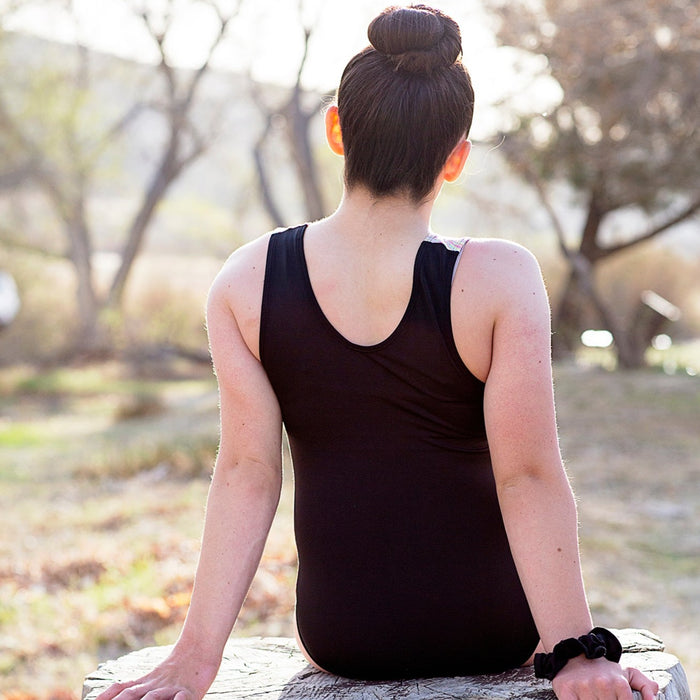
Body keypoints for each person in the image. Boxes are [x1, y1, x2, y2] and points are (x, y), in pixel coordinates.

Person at [97, 5, 659, 700]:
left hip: (344, 639)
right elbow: (529, 477)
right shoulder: (499, 279)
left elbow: (246, 474)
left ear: (337, 130)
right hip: (490, 626)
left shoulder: (245, 282)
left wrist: (195, 656)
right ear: (456, 157)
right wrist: (576, 651)